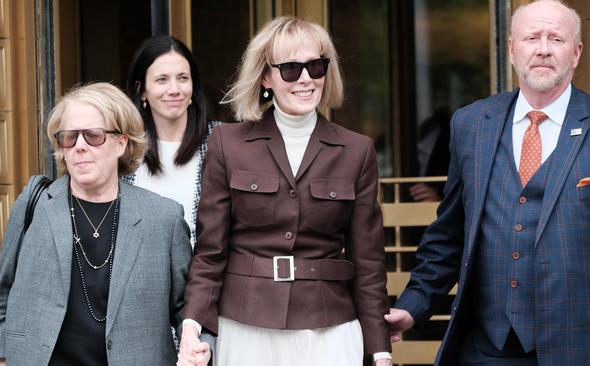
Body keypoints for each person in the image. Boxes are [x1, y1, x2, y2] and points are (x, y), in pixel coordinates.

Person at [385, 0, 590, 365]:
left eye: (556, 38)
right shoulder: (471, 125)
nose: (543, 48)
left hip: (589, 347)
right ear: (511, 49)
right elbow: (449, 236)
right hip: (488, 349)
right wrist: (412, 307)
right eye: (531, 37)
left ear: (576, 53)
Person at [178, 16, 392, 366]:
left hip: (329, 328)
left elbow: (368, 262)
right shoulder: (227, 144)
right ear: (266, 77)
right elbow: (209, 253)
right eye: (291, 69)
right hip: (246, 325)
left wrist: (380, 351)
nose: (306, 79)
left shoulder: (357, 150)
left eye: (316, 66)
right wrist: (192, 326)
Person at [0, 82, 209, 365]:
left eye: (93, 136)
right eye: (69, 137)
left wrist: (197, 345)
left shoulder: (163, 218)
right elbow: (3, 291)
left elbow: (189, 306)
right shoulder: (34, 205)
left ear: (121, 143)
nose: (80, 147)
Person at [125, 35, 220, 247]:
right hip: (147, 274)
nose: (174, 89)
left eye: (183, 78)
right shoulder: (124, 149)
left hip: (206, 275)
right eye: (162, 80)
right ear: (141, 90)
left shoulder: (222, 140)